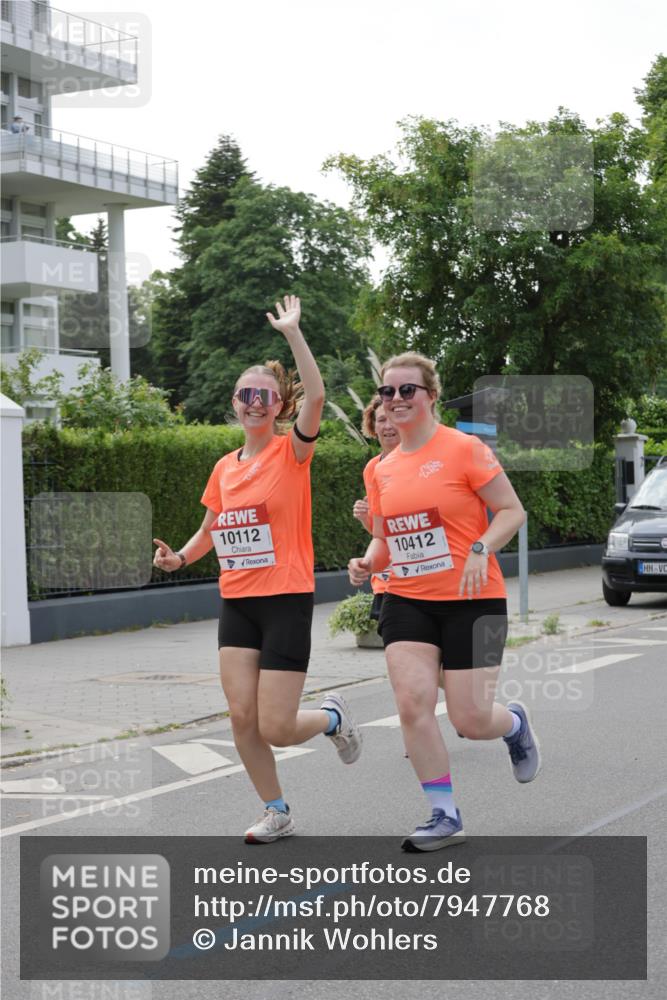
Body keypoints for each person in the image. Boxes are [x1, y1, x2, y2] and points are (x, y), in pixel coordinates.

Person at [154, 295, 362, 844]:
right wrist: (179, 557)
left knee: (278, 726)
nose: (254, 404)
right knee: (241, 717)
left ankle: (332, 718)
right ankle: (277, 811)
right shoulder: (224, 467)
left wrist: (293, 333)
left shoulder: (291, 454)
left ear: (278, 407)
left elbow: (317, 394)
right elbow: (210, 530)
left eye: (264, 397)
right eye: (246, 395)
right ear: (235, 402)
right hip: (238, 602)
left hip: (286, 598)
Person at [349, 351, 540, 852]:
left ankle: (514, 724)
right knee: (412, 703)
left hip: (473, 599)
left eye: (406, 390)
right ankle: (443, 812)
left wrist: (481, 547)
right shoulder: (382, 469)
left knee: (471, 720)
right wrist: (369, 561)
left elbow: (511, 511)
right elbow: (387, 538)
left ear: (430, 396)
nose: (395, 401)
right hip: (408, 599)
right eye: (387, 392)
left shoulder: (463, 449)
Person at [352, 396, 399, 620]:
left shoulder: (427, 459)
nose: (388, 426)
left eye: (393, 419)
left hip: (427, 575)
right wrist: (364, 518)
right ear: (373, 426)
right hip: (387, 577)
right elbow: (378, 532)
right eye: (381, 420)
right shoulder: (372, 468)